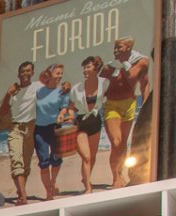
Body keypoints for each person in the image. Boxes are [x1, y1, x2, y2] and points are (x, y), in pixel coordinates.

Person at [99, 36, 151, 187]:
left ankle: (121, 173)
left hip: (129, 105)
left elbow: (144, 84)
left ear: (128, 48)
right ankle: (116, 178)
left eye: (119, 47)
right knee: (117, 143)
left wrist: (146, 106)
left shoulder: (141, 62)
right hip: (111, 105)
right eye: (115, 48)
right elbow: (98, 88)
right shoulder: (109, 68)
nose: (115, 51)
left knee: (123, 144)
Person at [0, 61, 41, 206]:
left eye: (28, 71)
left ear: (32, 72)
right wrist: (8, 94)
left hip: (31, 128)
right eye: (23, 71)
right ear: (18, 74)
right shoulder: (14, 91)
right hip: (15, 128)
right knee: (16, 161)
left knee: (26, 166)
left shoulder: (37, 86)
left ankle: (20, 191)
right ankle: (23, 196)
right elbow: (3, 111)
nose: (25, 74)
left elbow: (52, 88)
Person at [33, 63, 70, 200]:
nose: (60, 76)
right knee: (43, 161)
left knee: (56, 159)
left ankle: (52, 182)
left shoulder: (63, 90)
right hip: (39, 129)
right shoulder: (39, 91)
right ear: (50, 74)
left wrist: (62, 113)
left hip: (55, 127)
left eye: (61, 73)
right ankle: (48, 192)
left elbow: (64, 106)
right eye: (57, 73)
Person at [70, 55, 105, 193]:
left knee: (93, 156)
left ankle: (86, 178)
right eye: (84, 68)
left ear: (96, 68)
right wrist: (69, 116)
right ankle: (88, 188)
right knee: (86, 157)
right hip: (81, 123)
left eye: (88, 67)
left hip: (95, 121)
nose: (85, 70)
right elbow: (71, 107)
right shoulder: (77, 88)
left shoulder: (104, 84)